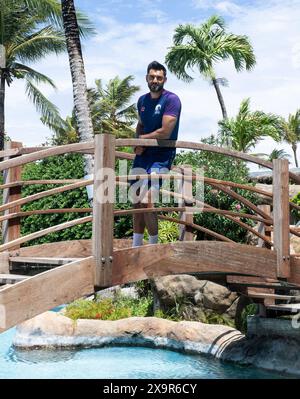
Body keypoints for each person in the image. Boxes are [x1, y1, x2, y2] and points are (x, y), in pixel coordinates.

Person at [130, 61, 181, 247]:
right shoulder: (142, 100)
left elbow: (166, 131)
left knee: (147, 200)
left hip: (162, 154)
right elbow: (141, 124)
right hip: (143, 155)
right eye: (152, 77)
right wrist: (137, 143)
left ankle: (153, 246)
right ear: (146, 78)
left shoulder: (171, 100)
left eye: (159, 77)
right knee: (136, 200)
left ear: (164, 79)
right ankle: (136, 246)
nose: (155, 80)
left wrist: (142, 138)